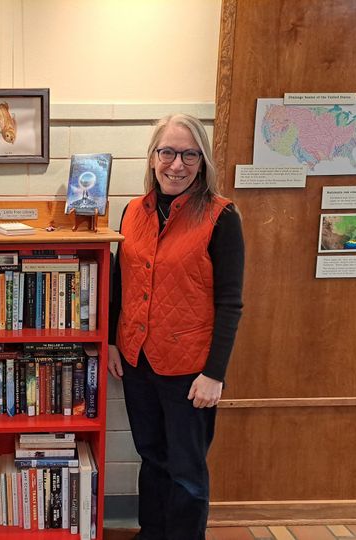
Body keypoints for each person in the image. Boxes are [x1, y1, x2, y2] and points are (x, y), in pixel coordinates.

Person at [107, 113, 245, 540]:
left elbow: (230, 303)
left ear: (202, 162)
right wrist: (113, 342)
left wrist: (214, 374)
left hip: (190, 371)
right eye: (167, 152)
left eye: (189, 154)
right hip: (137, 361)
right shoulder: (132, 212)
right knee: (151, 456)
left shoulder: (222, 217)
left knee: (186, 469)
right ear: (152, 158)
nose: (176, 164)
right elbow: (118, 282)